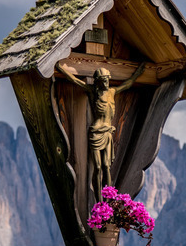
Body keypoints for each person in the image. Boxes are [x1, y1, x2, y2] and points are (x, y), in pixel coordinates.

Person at [57, 61, 147, 198]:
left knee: (106, 167)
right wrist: (60, 69)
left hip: (107, 133)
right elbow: (75, 80)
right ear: (98, 81)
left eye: (106, 80)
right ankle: (99, 200)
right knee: (97, 167)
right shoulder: (93, 93)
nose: (105, 83)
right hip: (95, 133)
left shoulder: (112, 92)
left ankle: (109, 199)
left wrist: (137, 74)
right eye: (102, 81)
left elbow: (127, 84)